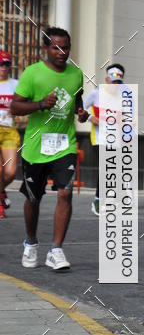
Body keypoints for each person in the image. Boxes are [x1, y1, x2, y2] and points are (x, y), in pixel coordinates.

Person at [11, 27, 89, 271]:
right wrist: (41, 104)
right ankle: (31, 242)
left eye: (65, 47)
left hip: (65, 144)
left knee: (65, 193)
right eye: (55, 47)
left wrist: (81, 112)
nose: (61, 52)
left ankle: (56, 250)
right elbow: (15, 107)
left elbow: (77, 99)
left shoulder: (76, 74)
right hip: (35, 146)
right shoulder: (33, 74)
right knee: (33, 198)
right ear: (46, 48)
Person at [84, 63, 125, 216]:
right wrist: (89, 117)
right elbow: (79, 108)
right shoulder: (96, 94)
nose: (115, 85)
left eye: (118, 83)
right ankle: (97, 200)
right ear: (107, 79)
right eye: (113, 81)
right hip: (99, 139)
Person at [0, 50, 20, 219]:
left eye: (6, 64)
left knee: (11, 172)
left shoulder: (15, 84)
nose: (4, 68)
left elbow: (24, 104)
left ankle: (1, 190)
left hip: (9, 132)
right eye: (1, 64)